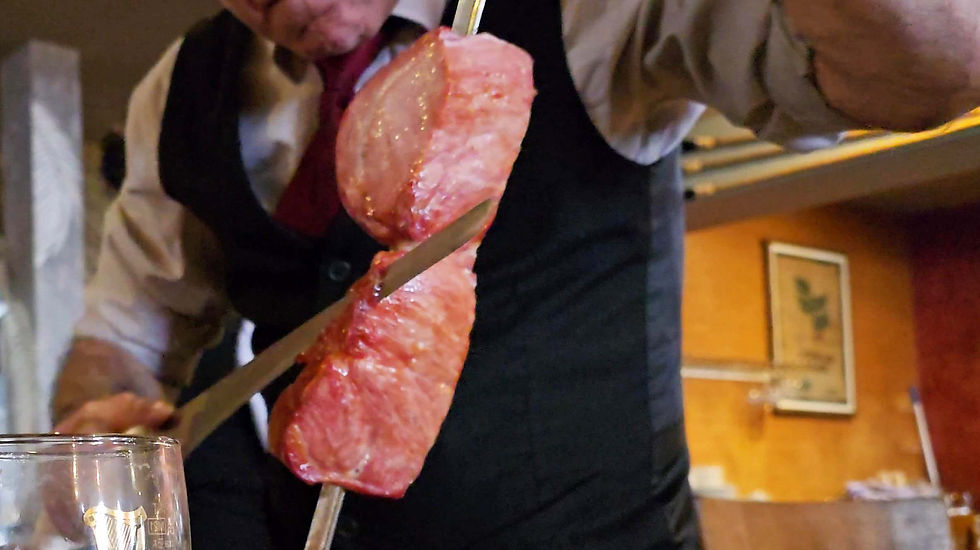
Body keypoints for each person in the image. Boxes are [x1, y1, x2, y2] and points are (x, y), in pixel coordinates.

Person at [53, 0, 980, 548]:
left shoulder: (588, 11)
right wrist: (99, 416)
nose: (292, 9)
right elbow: (119, 343)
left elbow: (935, 66)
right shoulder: (176, 91)